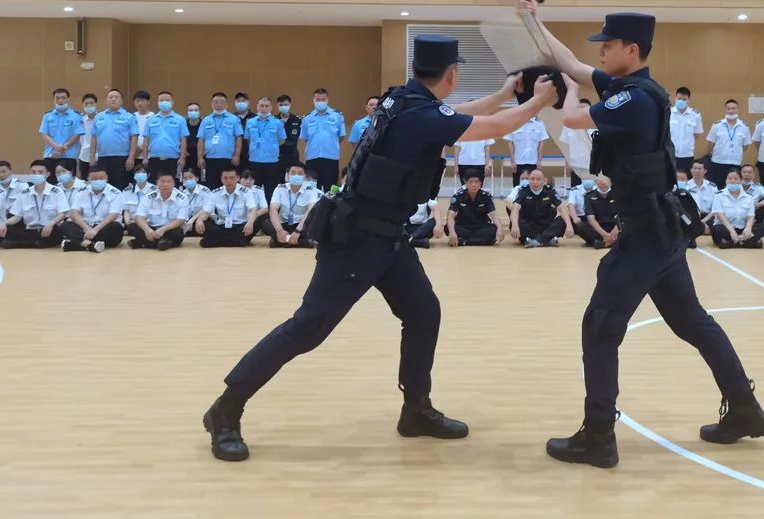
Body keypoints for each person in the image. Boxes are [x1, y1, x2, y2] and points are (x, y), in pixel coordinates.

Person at [202, 33, 558, 463]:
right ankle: (225, 410)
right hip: (358, 239)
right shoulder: (422, 115)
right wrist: (538, 102)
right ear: (451, 74)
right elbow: (497, 127)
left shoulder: (405, 101)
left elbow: (460, 114)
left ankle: (416, 410)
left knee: (424, 312)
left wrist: (503, 94)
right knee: (308, 328)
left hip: (388, 237)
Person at [518, 0, 764, 469]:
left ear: (631, 49)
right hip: (663, 229)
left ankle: (597, 437)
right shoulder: (632, 86)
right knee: (692, 322)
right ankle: (744, 409)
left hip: (646, 236)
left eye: (608, 44)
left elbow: (572, 118)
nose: (599, 51)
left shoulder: (631, 97)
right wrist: (535, 20)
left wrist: (564, 93)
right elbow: (570, 62)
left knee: (600, 327)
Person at [0, 161, 69, 249]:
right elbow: (17, 217)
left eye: (40, 172)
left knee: (56, 232)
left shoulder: (57, 191)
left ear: (47, 174)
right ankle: (33, 243)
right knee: (6, 228)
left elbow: (63, 213)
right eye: (33, 172)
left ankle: (18, 243)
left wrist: (51, 224)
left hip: (48, 230)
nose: (36, 175)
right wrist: (4, 223)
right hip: (29, 231)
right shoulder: (25, 193)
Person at [60, 168, 125, 252]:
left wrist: (95, 230)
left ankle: (77, 244)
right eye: (94, 179)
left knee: (116, 227)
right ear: (88, 179)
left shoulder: (115, 193)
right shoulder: (82, 191)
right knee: (65, 225)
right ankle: (91, 245)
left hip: (103, 227)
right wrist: (85, 228)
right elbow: (74, 212)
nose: (98, 181)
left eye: (101, 178)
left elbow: (113, 215)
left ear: (107, 178)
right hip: (85, 226)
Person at [193, 167, 258, 248]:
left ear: (238, 178)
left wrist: (250, 222)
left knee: (259, 219)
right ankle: (236, 241)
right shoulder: (215, 193)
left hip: (240, 227)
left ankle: (217, 241)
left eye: (232, 178)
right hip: (221, 227)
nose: (229, 181)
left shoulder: (246, 192)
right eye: (225, 178)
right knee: (200, 221)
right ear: (221, 179)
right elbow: (206, 212)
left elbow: (252, 209)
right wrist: (199, 220)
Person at [510, 169, 572, 247]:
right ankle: (547, 240)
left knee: (563, 220)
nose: (535, 182)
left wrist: (569, 225)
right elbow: (515, 208)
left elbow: (561, 208)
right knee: (515, 220)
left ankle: (536, 241)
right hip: (529, 226)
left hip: (546, 226)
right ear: (529, 180)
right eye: (532, 179)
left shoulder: (549, 191)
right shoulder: (523, 191)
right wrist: (515, 225)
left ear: (544, 180)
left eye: (538, 179)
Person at [91, 89, 139, 190]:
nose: (113, 99)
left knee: (120, 187)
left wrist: (131, 157)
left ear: (121, 101)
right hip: (103, 158)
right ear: (106, 101)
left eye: (116, 97)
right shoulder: (98, 117)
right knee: (104, 188)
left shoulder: (129, 117)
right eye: (110, 97)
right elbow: (94, 138)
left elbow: (134, 138)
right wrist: (91, 157)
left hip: (122, 158)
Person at [126, 173, 187, 250]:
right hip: (152, 229)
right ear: (157, 183)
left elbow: (180, 220)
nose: (166, 184)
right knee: (132, 227)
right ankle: (163, 243)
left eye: (169, 181)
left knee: (178, 232)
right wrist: (147, 230)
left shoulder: (182, 198)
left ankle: (143, 243)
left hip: (169, 230)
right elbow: (139, 216)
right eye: (162, 181)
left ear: (174, 183)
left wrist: (163, 229)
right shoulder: (149, 196)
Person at [300, 88, 346, 191]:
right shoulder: (307, 118)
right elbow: (306, 138)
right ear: (313, 100)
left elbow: (341, 136)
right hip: (312, 158)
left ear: (327, 100)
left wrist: (330, 144)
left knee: (330, 189)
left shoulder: (337, 116)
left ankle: (329, 208)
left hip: (331, 158)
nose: (320, 102)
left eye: (323, 99)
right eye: (318, 99)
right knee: (311, 189)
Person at [265, 163, 319, 248]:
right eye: (293, 173)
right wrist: (279, 230)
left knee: (313, 224)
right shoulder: (279, 188)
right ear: (288, 175)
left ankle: (279, 241)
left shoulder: (311, 190)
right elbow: (273, 209)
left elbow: (310, 211)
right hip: (283, 224)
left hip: (301, 225)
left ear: (305, 176)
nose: (296, 175)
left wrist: (297, 231)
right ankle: (302, 242)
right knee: (265, 223)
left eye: (300, 173)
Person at [197, 93, 243, 191]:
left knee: (228, 185)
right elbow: (201, 139)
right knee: (211, 186)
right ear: (212, 104)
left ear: (227, 104)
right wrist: (200, 157)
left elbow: (238, 138)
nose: (219, 104)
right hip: (210, 159)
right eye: (216, 102)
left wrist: (237, 155)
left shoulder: (234, 119)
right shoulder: (206, 120)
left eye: (221, 102)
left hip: (228, 159)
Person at [244, 96, 287, 203]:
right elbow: (248, 140)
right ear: (257, 107)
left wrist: (271, 147)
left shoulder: (277, 123)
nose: (264, 108)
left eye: (267, 106)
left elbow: (282, 140)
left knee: (270, 189)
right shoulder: (250, 122)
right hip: (254, 160)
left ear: (271, 107)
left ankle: (268, 214)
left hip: (271, 161)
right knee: (254, 189)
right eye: (261, 106)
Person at [711, 170, 764, 249]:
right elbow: (720, 215)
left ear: (740, 181)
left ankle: (731, 242)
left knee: (763, 227)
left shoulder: (749, 197)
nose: (733, 181)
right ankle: (749, 242)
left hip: (742, 229)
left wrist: (748, 229)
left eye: (736, 178)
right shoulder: (719, 195)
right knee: (716, 229)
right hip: (726, 228)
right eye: (730, 178)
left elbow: (750, 216)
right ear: (726, 181)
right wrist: (732, 231)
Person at [39, 87, 85, 181]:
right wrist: (55, 146)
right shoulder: (47, 116)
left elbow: (77, 135)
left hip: (69, 156)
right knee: (50, 185)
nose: (60, 100)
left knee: (68, 184)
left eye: (63, 98)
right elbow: (44, 134)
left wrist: (64, 147)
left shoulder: (76, 116)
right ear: (54, 99)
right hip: (50, 156)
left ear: (68, 99)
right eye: (57, 98)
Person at [142, 91, 188, 183]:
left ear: (172, 102)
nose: (164, 102)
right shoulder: (151, 120)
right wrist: (145, 157)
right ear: (157, 102)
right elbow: (146, 139)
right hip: (154, 159)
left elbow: (183, 139)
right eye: (161, 100)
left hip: (173, 160)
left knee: (174, 185)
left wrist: (182, 157)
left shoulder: (180, 119)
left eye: (167, 100)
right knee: (154, 185)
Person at [446, 172, 502, 247]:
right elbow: (450, 215)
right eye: (471, 182)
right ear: (465, 182)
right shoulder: (458, 196)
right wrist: (452, 232)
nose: (473, 185)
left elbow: (494, 214)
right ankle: (483, 241)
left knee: (494, 229)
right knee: (448, 228)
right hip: (463, 226)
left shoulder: (486, 196)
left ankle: (464, 241)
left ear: (480, 183)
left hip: (481, 226)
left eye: (476, 182)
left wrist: (500, 228)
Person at [706, 100, 751, 188]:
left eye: (733, 108)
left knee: (733, 187)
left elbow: (746, 146)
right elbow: (710, 143)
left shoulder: (744, 127)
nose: (731, 111)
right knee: (717, 187)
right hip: (718, 162)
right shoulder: (717, 125)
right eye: (728, 108)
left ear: (738, 109)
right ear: (725, 110)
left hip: (735, 162)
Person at [559, 99, 596, 186]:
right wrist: (567, 163)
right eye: (580, 108)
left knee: (592, 193)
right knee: (575, 192)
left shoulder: (596, 125)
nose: (582, 110)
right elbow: (565, 146)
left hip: (592, 166)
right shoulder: (568, 126)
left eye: (584, 108)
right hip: (575, 166)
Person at [576, 176, 619, 249]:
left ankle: (603, 243)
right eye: (600, 181)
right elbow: (591, 219)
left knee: (628, 224)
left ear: (610, 183)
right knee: (581, 227)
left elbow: (623, 215)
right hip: (598, 229)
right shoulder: (589, 196)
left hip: (615, 227)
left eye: (605, 181)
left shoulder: (619, 195)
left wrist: (616, 229)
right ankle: (612, 242)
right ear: (596, 183)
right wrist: (604, 234)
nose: (603, 183)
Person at [670, 87, 703, 175]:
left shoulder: (695, 115)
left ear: (689, 100)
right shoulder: (668, 113)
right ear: (675, 98)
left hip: (687, 155)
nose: (681, 101)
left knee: (686, 180)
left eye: (684, 99)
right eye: (679, 98)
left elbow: (697, 134)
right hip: (670, 155)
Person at [181, 168, 212, 236]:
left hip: (202, 219)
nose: (188, 180)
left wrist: (192, 220)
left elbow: (206, 209)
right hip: (187, 221)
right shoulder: (182, 193)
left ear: (197, 178)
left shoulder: (205, 191)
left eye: (190, 177)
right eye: (185, 178)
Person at [276, 95, 303, 170]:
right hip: (278, 155)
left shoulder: (297, 120)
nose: (283, 107)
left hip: (292, 155)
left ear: (290, 105)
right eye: (281, 105)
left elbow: (299, 137)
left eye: (285, 104)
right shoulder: (274, 120)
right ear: (277, 106)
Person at [233, 93, 255, 171]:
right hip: (234, 155)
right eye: (238, 101)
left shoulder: (255, 118)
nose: (241, 103)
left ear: (248, 102)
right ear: (235, 103)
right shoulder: (231, 118)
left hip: (252, 155)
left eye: (243, 101)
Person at [78, 93, 98, 178]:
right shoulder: (80, 120)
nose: (89, 105)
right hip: (84, 156)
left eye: (91, 103)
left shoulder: (101, 119)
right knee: (85, 181)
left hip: (100, 155)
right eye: (86, 103)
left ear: (96, 104)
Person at [133, 90, 154, 166]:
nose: (139, 103)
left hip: (149, 156)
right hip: (133, 155)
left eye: (142, 101)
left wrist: (142, 148)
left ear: (148, 101)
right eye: (137, 101)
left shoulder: (153, 117)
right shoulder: (132, 116)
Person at [185, 102, 202, 170]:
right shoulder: (183, 125)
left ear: (199, 112)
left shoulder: (205, 124)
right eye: (191, 110)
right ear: (187, 112)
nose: (193, 112)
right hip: (187, 158)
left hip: (202, 157)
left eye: (195, 110)